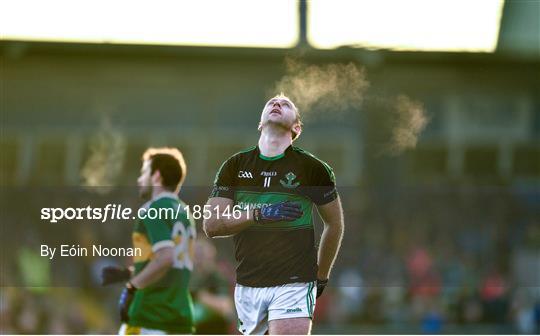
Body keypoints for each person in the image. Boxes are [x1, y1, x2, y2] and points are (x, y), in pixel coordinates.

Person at [203, 93, 344, 335]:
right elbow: (212, 225)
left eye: (286, 104)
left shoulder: (313, 169)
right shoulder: (234, 166)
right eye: (271, 103)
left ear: (296, 127)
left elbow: (335, 224)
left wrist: (320, 276)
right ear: (260, 123)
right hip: (248, 284)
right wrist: (259, 214)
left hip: (295, 280)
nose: (277, 104)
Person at [101, 147, 196, 334]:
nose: (139, 179)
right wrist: (131, 272)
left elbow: (166, 258)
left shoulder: (153, 208)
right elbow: (174, 261)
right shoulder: (185, 212)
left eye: (144, 172)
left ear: (156, 176)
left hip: (150, 314)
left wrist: (132, 286)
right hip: (179, 316)